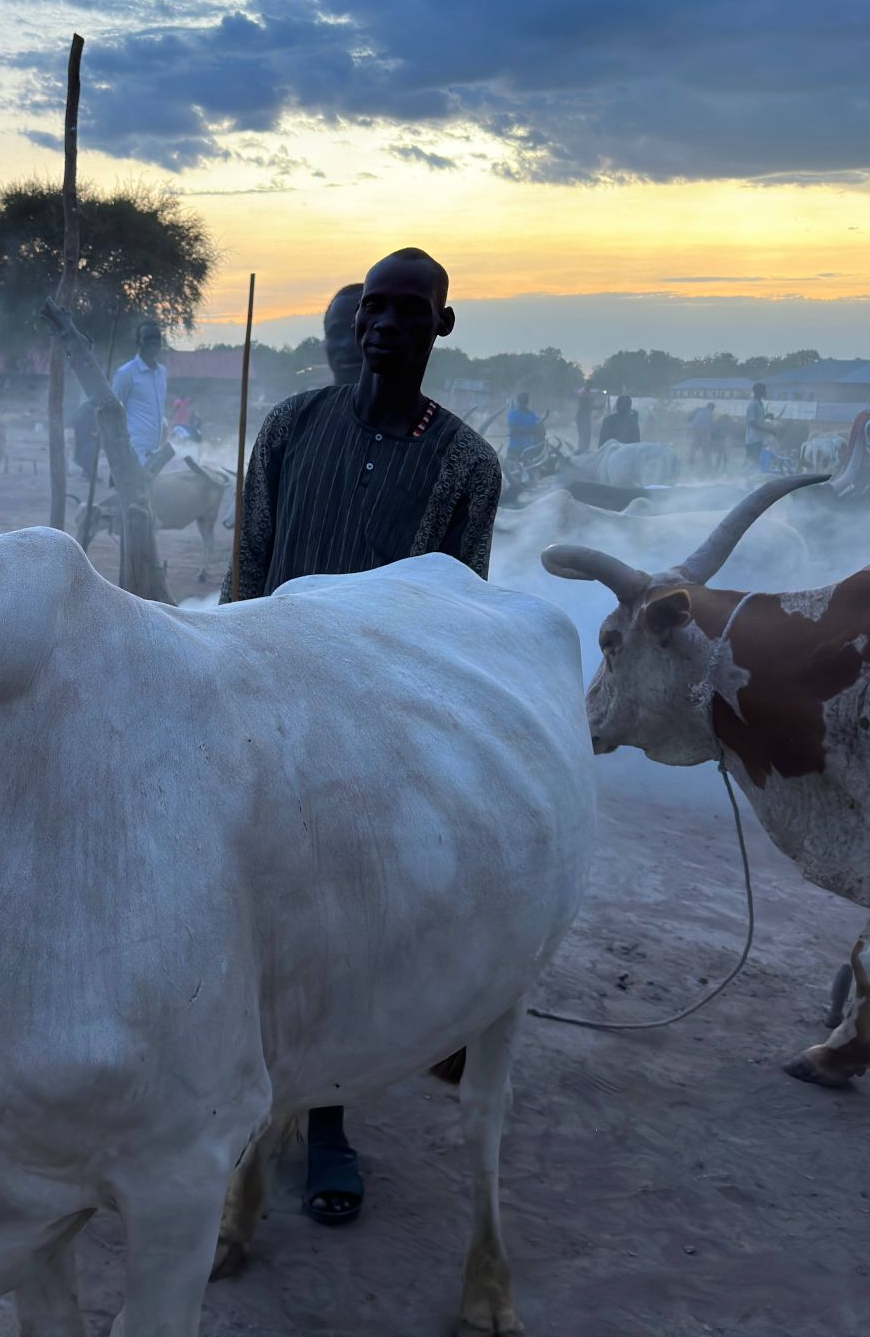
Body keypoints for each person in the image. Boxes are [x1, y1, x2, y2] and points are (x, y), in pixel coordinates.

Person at [222, 250, 502, 1229]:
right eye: (372, 309)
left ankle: (328, 1119)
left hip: (377, 729)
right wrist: (225, 682)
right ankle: (237, 1096)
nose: (383, 326)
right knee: (250, 911)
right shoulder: (292, 428)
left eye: (407, 312)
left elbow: (450, 618)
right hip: (268, 706)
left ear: (441, 328)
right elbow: (247, 568)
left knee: (348, 928)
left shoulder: (468, 466)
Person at [112, 320, 168, 462]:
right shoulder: (126, 373)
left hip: (155, 451)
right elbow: (114, 413)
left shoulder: (162, 372)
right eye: (147, 338)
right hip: (134, 451)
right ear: (138, 342)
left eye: (157, 338)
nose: (153, 341)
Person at [744, 382, 774, 468]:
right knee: (752, 462)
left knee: (755, 462)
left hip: (758, 439)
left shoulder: (760, 404)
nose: (765, 392)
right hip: (753, 440)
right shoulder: (753, 404)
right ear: (757, 391)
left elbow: (758, 419)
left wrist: (765, 417)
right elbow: (752, 423)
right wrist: (769, 431)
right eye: (763, 390)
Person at [505, 391, 542, 457]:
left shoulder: (532, 414)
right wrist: (529, 431)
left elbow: (537, 429)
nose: (523, 402)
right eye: (522, 400)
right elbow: (513, 428)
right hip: (516, 449)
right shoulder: (513, 413)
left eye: (524, 400)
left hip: (527, 449)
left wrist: (523, 430)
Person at [687, 402, 716, 470]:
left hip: (694, 429)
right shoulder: (710, 414)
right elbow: (711, 426)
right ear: (712, 408)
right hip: (704, 431)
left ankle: (691, 461)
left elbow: (689, 418)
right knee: (706, 448)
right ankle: (708, 465)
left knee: (693, 446)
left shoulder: (698, 409)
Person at [574, 382, 598, 451]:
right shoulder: (585, 394)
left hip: (583, 417)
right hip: (582, 417)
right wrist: (596, 407)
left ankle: (583, 449)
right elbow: (587, 405)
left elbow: (589, 405)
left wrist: (598, 407)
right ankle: (582, 449)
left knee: (585, 434)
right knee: (585, 434)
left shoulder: (586, 394)